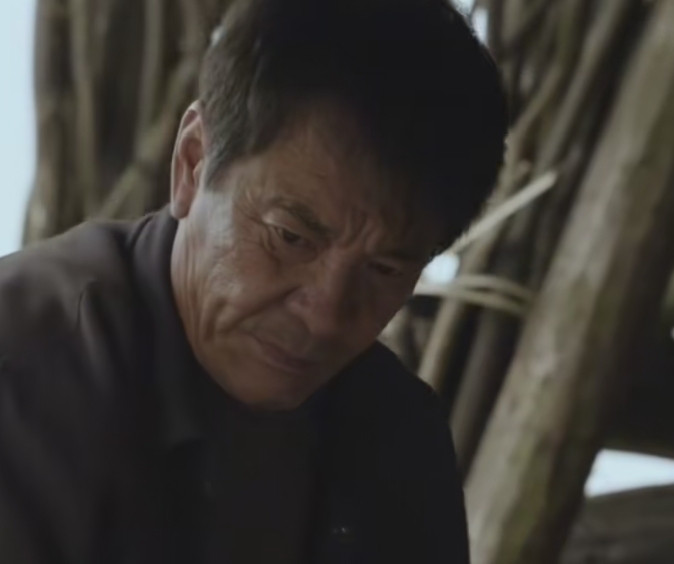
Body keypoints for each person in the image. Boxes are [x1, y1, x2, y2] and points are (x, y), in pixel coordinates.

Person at [0, 0, 507, 562]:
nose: (325, 317)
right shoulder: (25, 371)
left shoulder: (396, 434)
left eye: (384, 269)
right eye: (291, 237)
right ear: (193, 164)